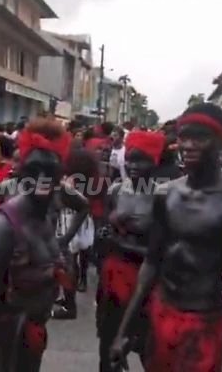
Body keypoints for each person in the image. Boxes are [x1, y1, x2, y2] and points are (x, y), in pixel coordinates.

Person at [111, 103, 222, 372]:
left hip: (203, 321)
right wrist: (124, 329)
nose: (188, 145)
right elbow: (152, 263)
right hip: (161, 314)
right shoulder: (166, 194)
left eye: (200, 137)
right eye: (183, 137)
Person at [0, 117, 73, 372]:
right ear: (21, 174)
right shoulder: (4, 227)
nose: (41, 179)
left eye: (49, 173)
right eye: (34, 172)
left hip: (29, 335)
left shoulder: (46, 215)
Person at [96, 130, 165, 372]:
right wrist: (104, 239)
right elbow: (105, 229)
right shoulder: (115, 190)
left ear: (154, 162)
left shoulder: (161, 196)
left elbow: (160, 249)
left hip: (144, 279)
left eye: (141, 160)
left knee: (147, 346)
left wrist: (121, 243)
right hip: (113, 277)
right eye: (130, 159)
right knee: (108, 342)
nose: (133, 166)